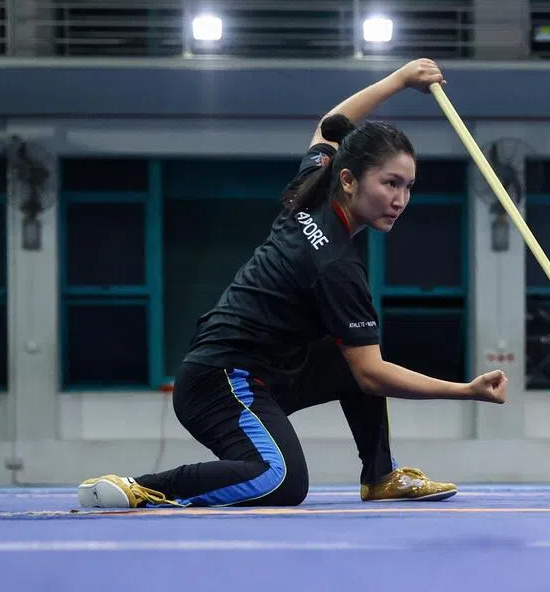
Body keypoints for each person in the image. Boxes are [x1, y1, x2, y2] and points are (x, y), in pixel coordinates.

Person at [76, 59, 509, 509]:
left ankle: (380, 476)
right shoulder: (335, 264)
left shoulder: (315, 188)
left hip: (270, 373)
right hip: (219, 380)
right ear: (349, 179)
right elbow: (373, 375)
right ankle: (140, 487)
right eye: (389, 183)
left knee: (346, 359)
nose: (400, 200)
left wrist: (399, 80)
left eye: (408, 187)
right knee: (278, 479)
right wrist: (465, 391)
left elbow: (330, 126)